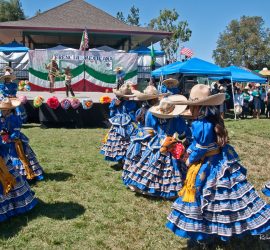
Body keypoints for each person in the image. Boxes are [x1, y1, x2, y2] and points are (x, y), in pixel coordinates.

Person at [166, 84, 270, 243]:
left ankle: (206, 231)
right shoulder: (213, 118)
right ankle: (222, 227)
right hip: (221, 160)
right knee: (223, 197)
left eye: (192, 106)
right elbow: (202, 143)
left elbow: (201, 147)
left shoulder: (201, 124)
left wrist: (188, 158)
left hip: (209, 164)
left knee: (203, 193)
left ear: (198, 106)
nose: (190, 110)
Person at [124, 96, 192, 199]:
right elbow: (183, 132)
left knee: (150, 165)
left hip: (154, 143)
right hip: (169, 144)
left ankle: (147, 187)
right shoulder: (177, 118)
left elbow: (149, 129)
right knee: (170, 167)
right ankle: (164, 189)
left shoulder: (151, 115)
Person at [122, 85, 160, 185]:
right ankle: (143, 181)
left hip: (139, 135)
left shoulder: (141, 110)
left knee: (136, 156)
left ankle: (133, 177)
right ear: (154, 100)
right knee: (146, 159)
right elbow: (155, 127)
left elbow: (136, 120)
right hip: (150, 137)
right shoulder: (154, 112)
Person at [0, 98, 44, 182]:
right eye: (1, 110)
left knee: (18, 156)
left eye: (4, 110)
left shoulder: (15, 118)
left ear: (9, 110)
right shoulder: (2, 118)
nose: (2, 112)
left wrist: (10, 138)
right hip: (5, 141)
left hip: (15, 141)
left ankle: (23, 175)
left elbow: (16, 131)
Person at [100, 83, 137, 166]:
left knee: (122, 142)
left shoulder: (128, 103)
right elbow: (113, 114)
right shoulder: (120, 102)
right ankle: (122, 159)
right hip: (121, 124)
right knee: (121, 141)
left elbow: (113, 114)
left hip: (122, 124)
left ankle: (123, 159)